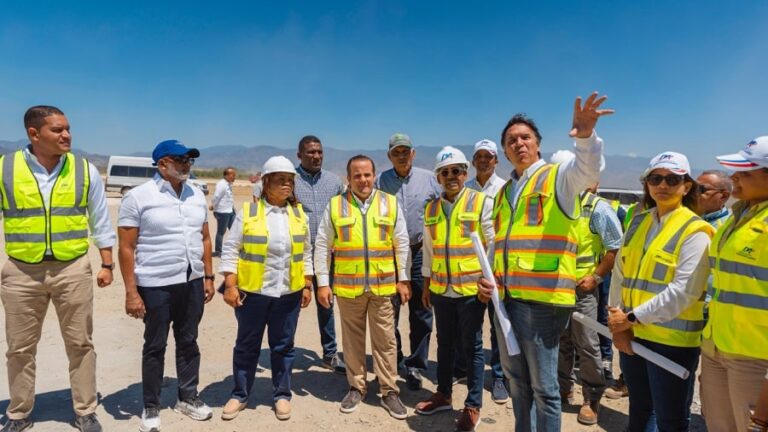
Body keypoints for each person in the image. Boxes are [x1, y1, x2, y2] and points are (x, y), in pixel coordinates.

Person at [477, 92, 614, 432]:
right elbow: (502, 245)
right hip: (507, 301)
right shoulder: (506, 192)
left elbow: (588, 169)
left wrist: (586, 137)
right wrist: (490, 279)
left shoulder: (559, 179)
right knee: (517, 383)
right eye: (511, 140)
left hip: (544, 303)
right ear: (505, 150)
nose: (518, 143)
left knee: (545, 389)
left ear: (537, 144)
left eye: (525, 138)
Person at [0, 106, 115, 432]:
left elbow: (100, 221)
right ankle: (19, 413)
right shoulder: (5, 169)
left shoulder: (84, 170)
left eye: (67, 128)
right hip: (22, 273)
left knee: (80, 344)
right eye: (57, 130)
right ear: (33, 134)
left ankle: (85, 411)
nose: (67, 135)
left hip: (72, 269)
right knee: (19, 349)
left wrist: (107, 263)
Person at [607, 151, 714, 432]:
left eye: (672, 179)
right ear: (647, 183)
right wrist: (617, 322)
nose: (663, 185)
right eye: (656, 178)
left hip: (672, 342)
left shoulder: (696, 230)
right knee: (640, 412)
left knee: (671, 420)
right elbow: (620, 273)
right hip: (633, 335)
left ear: (686, 186)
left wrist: (629, 319)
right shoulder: (638, 222)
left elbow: (684, 291)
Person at [118, 139, 216, 432]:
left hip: (192, 281)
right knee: (155, 345)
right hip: (156, 284)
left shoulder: (196, 194)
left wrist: (209, 276)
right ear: (162, 164)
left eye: (189, 160)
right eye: (180, 160)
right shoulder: (137, 197)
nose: (186, 165)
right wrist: (131, 292)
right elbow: (126, 247)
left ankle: (188, 397)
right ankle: (151, 405)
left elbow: (206, 238)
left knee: (189, 341)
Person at [218, 156, 313, 421]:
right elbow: (230, 249)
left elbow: (306, 252)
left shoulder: (298, 214)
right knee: (247, 346)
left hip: (288, 294)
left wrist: (307, 284)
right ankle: (240, 394)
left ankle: (282, 395)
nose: (286, 185)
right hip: (253, 295)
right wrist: (230, 284)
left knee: (283, 346)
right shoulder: (247, 213)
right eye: (281, 180)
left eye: (290, 181)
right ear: (267, 182)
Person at [315, 155, 411, 420]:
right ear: (349, 178)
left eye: (367, 174)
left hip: (383, 287)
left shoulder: (389, 204)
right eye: (357, 175)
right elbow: (323, 245)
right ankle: (357, 387)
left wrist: (403, 279)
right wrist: (323, 283)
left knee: (386, 341)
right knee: (353, 342)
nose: (363, 180)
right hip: (349, 289)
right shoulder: (336, 206)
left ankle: (389, 390)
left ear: (374, 175)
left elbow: (401, 243)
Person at [414, 147, 494, 431]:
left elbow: (492, 246)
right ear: (438, 177)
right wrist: (426, 284)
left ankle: (473, 405)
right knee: (444, 343)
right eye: (445, 172)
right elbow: (429, 249)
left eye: (457, 171)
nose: (451, 176)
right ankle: (444, 394)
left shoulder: (481, 203)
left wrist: (489, 283)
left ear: (465, 173)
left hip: (471, 290)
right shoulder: (432, 208)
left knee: (471, 347)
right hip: (440, 288)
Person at [700, 137, 768, 432]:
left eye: (746, 172)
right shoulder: (735, 218)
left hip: (755, 358)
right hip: (717, 347)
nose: (735, 177)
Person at [549, 150, 622, 425]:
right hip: (555, 289)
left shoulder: (596, 207)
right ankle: (562, 389)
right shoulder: (553, 205)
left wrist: (596, 277)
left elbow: (615, 247)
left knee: (588, 344)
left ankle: (592, 397)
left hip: (582, 291)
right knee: (560, 342)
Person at [376, 133, 441, 390]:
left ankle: (416, 365)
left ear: (413, 153)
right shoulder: (380, 180)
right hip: (390, 254)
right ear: (389, 156)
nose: (401, 156)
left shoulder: (430, 179)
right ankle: (395, 357)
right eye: (396, 152)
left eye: (406, 151)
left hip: (420, 251)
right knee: (388, 310)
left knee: (422, 309)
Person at [292, 135, 347, 373]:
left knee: (326, 303)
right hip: (296, 256)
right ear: (300, 155)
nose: (316, 156)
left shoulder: (334, 183)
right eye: (311, 152)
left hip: (327, 256)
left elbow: (344, 214)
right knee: (291, 305)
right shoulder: (290, 180)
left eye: (319, 152)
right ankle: (284, 352)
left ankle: (330, 353)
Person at [463, 138, 509, 404]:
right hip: (469, 268)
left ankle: (500, 376)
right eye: (479, 156)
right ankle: (471, 372)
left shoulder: (505, 189)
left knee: (498, 325)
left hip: (496, 268)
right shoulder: (465, 188)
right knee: (471, 325)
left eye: (488, 156)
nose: (483, 160)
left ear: (496, 160)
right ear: (473, 161)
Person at [210, 167, 237, 257]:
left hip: (230, 211)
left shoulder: (228, 184)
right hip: (222, 211)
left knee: (235, 230)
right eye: (232, 175)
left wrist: (233, 209)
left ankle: (235, 249)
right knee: (221, 232)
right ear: (227, 175)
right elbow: (216, 197)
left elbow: (228, 198)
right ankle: (218, 251)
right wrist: (213, 206)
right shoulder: (222, 184)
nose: (234, 177)